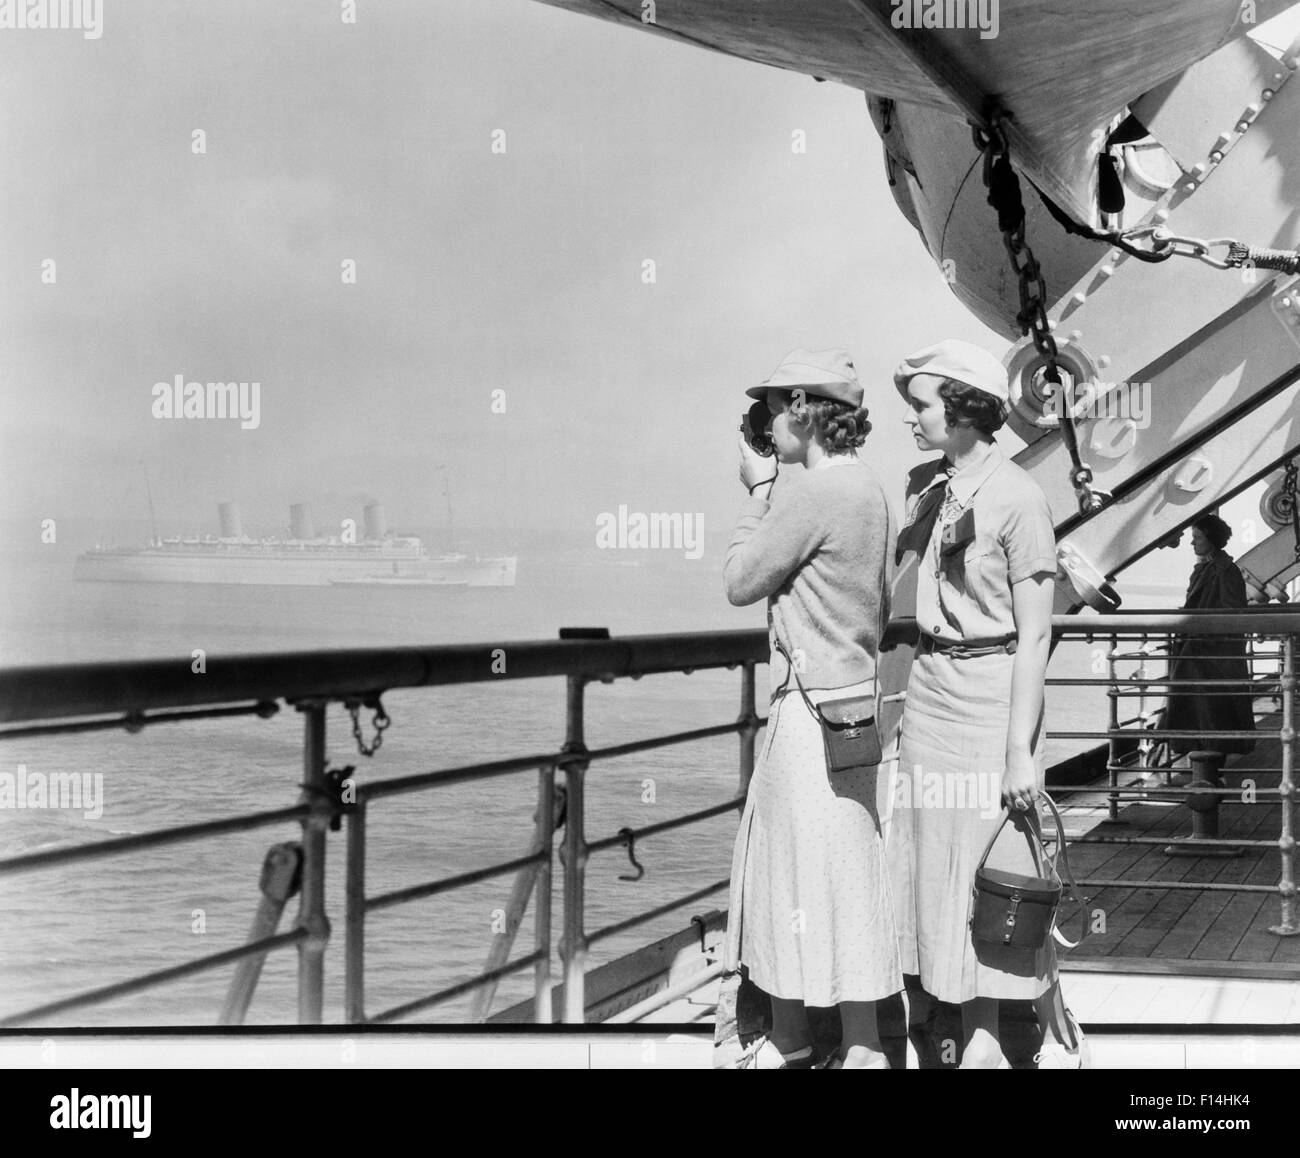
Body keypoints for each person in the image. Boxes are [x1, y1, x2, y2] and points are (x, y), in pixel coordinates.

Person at [722, 347, 902, 1069]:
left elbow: (739, 581)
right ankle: (862, 1046)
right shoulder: (871, 489)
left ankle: (793, 1040)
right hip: (856, 707)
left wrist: (758, 491)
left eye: (773, 407)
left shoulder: (811, 494)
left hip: (804, 716)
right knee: (849, 873)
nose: (767, 423)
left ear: (803, 408)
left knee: (788, 873)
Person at [886, 339, 1061, 1069]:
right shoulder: (923, 486)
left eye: (922, 405)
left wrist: (1019, 750)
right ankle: (939, 1016)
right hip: (929, 693)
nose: (912, 419)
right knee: (927, 862)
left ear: (962, 408)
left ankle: (989, 1035)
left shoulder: (1019, 498)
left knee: (984, 868)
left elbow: (1035, 633)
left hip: (990, 698)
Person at [1164, 514, 1257, 761]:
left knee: (1210, 714)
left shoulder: (1226, 572)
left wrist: (1204, 638)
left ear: (1211, 540)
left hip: (1211, 658)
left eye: (1197, 538)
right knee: (1203, 713)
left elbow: (1233, 615)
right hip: (1200, 655)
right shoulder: (1207, 569)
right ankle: (1204, 765)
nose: (1192, 543)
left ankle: (1208, 769)